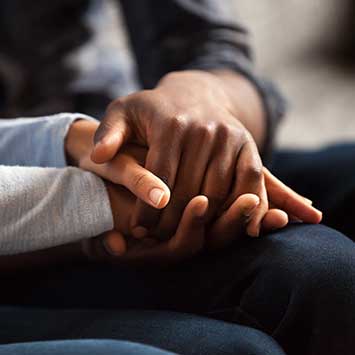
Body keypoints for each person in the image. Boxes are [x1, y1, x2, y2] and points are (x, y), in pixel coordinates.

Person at [0, 1, 355, 355]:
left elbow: (213, 49)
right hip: (42, 212)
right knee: (245, 339)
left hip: (124, 158)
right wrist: (96, 204)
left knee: (331, 271)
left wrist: (205, 100)